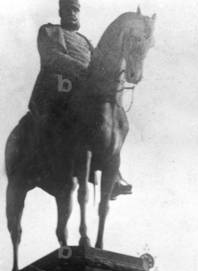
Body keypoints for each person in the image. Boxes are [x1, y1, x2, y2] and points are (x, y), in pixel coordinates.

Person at [28, 0, 131, 197]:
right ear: (60, 12)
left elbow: (98, 65)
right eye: (68, 10)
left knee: (111, 120)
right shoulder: (49, 31)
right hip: (57, 89)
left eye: (75, 10)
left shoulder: (85, 41)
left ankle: (113, 173)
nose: (72, 14)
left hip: (83, 92)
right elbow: (53, 57)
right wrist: (85, 71)